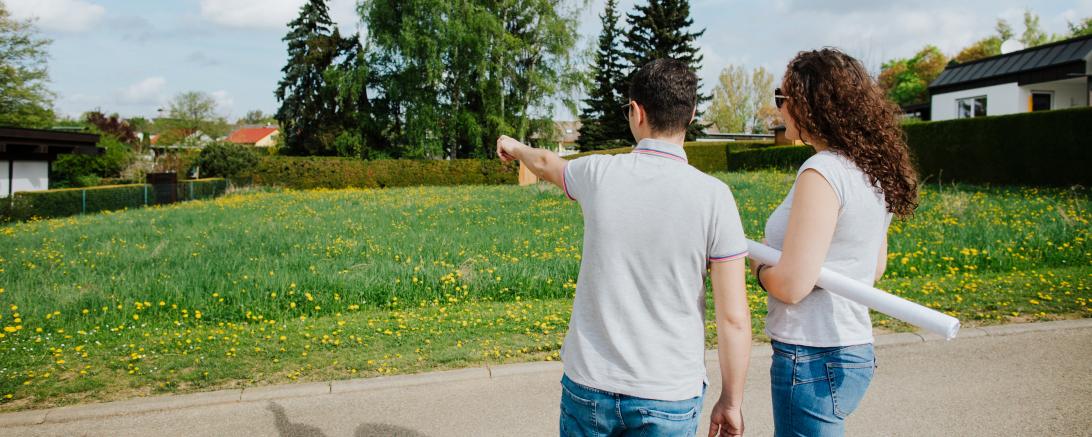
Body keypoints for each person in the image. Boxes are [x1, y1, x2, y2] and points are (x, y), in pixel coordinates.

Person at [496, 58, 751, 437]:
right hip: (668, 392)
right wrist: (731, 402)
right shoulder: (716, 197)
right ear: (692, 114)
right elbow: (733, 318)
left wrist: (514, 146)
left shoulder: (599, 174)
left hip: (591, 384)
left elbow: (547, 162)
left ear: (636, 112)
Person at [752, 48, 920, 437]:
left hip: (811, 352)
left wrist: (758, 265)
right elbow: (873, 269)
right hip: (853, 346)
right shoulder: (874, 170)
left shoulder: (822, 171)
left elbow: (793, 286)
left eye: (782, 97)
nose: (779, 109)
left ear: (810, 104)